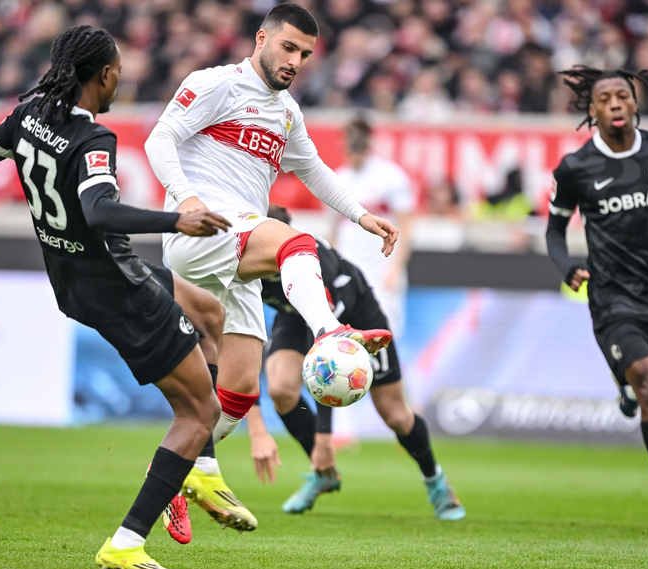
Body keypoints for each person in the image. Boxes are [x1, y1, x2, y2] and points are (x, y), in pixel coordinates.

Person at [0, 25, 246, 569]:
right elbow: (101, 212)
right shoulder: (91, 139)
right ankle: (128, 542)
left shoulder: (28, 115)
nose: (121, 80)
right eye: (118, 72)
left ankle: (199, 469)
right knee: (199, 411)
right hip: (118, 288)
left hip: (76, 280)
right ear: (103, 74)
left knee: (209, 312)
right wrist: (177, 219)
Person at [144, 4, 398, 468]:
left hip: (237, 245)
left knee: (238, 392)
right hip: (203, 229)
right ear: (261, 40)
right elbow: (158, 139)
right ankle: (330, 333)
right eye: (288, 47)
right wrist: (185, 199)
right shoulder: (215, 84)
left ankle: (171, 481)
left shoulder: (287, 113)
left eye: (304, 54)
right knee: (295, 243)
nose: (295, 61)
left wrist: (362, 216)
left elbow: (314, 170)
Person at [246, 205, 464, 519]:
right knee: (280, 389)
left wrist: (325, 438)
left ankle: (437, 481)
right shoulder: (247, 266)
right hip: (295, 315)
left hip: (356, 315)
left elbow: (330, 364)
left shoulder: (309, 264)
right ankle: (324, 473)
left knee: (396, 415)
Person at [546, 66, 648, 512]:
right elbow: (555, 233)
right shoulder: (576, 168)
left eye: (623, 95)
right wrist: (567, 268)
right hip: (615, 300)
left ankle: (623, 383)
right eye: (605, 99)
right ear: (592, 110)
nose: (616, 103)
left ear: (635, 103)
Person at [333, 117, 415, 340]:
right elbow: (333, 231)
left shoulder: (391, 176)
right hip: (349, 272)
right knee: (349, 341)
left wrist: (396, 268)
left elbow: (407, 227)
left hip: (382, 271)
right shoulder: (337, 179)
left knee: (387, 337)